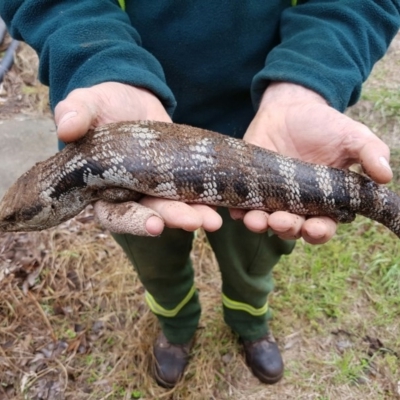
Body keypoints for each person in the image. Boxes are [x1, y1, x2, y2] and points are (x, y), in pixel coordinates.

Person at [1, 0, 399, 389]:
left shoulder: (92, 182)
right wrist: (97, 64)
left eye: (16, 219)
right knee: (157, 261)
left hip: (264, 126)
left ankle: (250, 325)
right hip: (129, 108)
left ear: (50, 204)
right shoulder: (93, 177)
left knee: (254, 258)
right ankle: (176, 328)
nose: (13, 226)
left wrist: (310, 79)